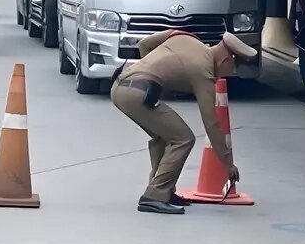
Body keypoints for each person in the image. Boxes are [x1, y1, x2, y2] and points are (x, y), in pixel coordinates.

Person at [110, 30, 258, 215]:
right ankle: (154, 195)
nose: (228, 74)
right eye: (233, 69)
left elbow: (144, 44)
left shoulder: (187, 38)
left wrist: (155, 79)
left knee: (164, 136)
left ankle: (164, 190)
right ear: (226, 61)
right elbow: (211, 122)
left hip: (121, 87)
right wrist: (228, 164)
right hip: (136, 95)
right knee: (183, 138)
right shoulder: (203, 71)